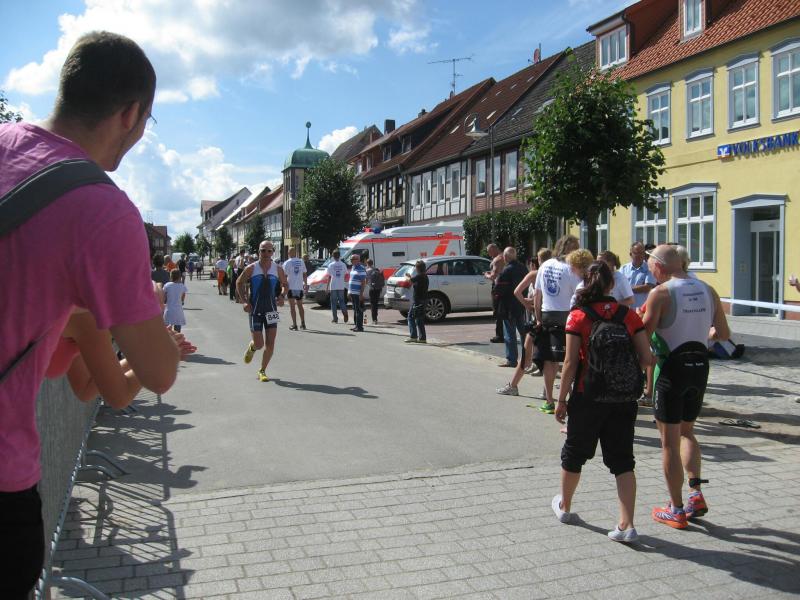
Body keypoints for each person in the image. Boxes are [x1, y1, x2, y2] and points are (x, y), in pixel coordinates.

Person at [0, 31, 180, 598]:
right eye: (146, 122)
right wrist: (151, 309)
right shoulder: (103, 209)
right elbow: (158, 372)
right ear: (130, 114)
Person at [551, 261, 653, 543]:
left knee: (574, 453)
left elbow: (570, 363)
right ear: (612, 284)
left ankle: (565, 507)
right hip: (623, 398)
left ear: (585, 283)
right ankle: (626, 524)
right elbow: (647, 359)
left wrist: (561, 400)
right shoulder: (629, 315)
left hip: (588, 396)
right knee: (623, 461)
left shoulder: (578, 317)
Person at [642, 244, 730, 530]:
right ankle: (695, 494)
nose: (650, 271)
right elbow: (723, 333)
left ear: (659, 266)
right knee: (687, 432)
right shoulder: (708, 289)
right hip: (699, 367)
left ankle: (676, 509)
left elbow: (643, 335)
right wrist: (702, 333)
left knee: (668, 441)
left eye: (650, 266)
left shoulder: (661, 293)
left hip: (671, 370)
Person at [533, 235, 582, 414]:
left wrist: (538, 318)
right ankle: (570, 400)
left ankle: (549, 400)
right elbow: (579, 295)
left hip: (547, 315)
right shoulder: (572, 269)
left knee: (549, 360)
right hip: (567, 316)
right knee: (570, 360)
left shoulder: (545, 265)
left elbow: (537, 295)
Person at [496, 248, 551, 396]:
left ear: (539, 260)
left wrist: (527, 304)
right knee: (550, 358)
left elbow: (517, 291)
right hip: (552, 318)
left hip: (537, 319)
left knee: (527, 355)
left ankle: (514, 386)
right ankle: (547, 391)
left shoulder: (536, 274)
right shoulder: (554, 275)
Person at [238, 241, 288, 382]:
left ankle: (262, 370)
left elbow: (285, 285)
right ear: (258, 251)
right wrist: (244, 301)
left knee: (270, 344)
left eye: (269, 251)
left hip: (271, 311)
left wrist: (282, 296)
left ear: (273, 252)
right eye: (263, 250)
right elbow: (239, 283)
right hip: (255, 310)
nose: (266, 253)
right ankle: (253, 347)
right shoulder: (251, 268)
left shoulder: (278, 269)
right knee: (259, 344)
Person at [494, 247, 529, 368]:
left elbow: (498, 289)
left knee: (509, 334)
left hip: (508, 306)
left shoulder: (506, 270)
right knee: (524, 333)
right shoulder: (523, 268)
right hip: (521, 304)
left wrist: (496, 290)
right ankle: (526, 359)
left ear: (505, 257)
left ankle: (512, 360)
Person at [620, 242, 656, 310]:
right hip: (625, 309)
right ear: (631, 254)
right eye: (637, 253)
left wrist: (626, 288)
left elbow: (647, 287)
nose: (640, 255)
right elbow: (618, 286)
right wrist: (639, 287)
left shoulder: (650, 268)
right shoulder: (623, 269)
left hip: (641, 310)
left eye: (642, 253)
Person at [484, 243, 506, 343]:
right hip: (504, 286)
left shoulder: (498, 259)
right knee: (502, 311)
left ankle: (499, 335)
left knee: (498, 312)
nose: (489, 254)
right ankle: (502, 334)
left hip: (498, 287)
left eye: (489, 252)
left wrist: (486, 275)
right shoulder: (503, 257)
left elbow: (494, 276)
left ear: (494, 249)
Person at [282, 248, 307, 330]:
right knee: (300, 306)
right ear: (296, 253)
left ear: (289, 253)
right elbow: (304, 274)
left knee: (292, 307)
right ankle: (303, 324)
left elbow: (284, 276)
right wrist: (305, 284)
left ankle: (294, 325)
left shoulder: (287, 263)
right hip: (299, 287)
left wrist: (283, 287)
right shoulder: (301, 261)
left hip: (291, 287)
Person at [404, 260, 429, 344]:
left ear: (418, 268)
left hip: (418, 300)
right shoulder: (425, 276)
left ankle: (413, 336)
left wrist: (407, 277)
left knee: (410, 317)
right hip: (423, 299)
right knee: (419, 319)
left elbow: (409, 281)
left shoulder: (419, 276)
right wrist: (410, 278)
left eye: (416, 267)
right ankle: (422, 338)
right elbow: (414, 283)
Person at [325, 250, 349, 324]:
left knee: (333, 302)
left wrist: (327, 287)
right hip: (341, 285)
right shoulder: (343, 264)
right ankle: (345, 312)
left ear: (333, 256)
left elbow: (329, 277)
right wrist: (344, 281)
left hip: (333, 285)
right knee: (342, 301)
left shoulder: (331, 265)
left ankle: (335, 318)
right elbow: (346, 275)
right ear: (339, 256)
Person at [347, 254, 368, 332]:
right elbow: (350, 280)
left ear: (358, 260)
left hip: (357, 292)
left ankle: (360, 327)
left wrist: (361, 294)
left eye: (353, 259)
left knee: (358, 310)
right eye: (351, 259)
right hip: (352, 292)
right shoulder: (353, 267)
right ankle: (356, 325)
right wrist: (349, 291)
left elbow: (363, 282)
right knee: (355, 309)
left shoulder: (361, 268)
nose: (351, 261)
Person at [365, 259, 385, 325]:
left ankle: (374, 319)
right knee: (376, 303)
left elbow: (366, 281)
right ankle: (376, 316)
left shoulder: (367, 270)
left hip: (372, 289)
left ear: (367, 264)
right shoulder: (377, 269)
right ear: (372, 263)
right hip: (378, 288)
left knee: (372, 304)